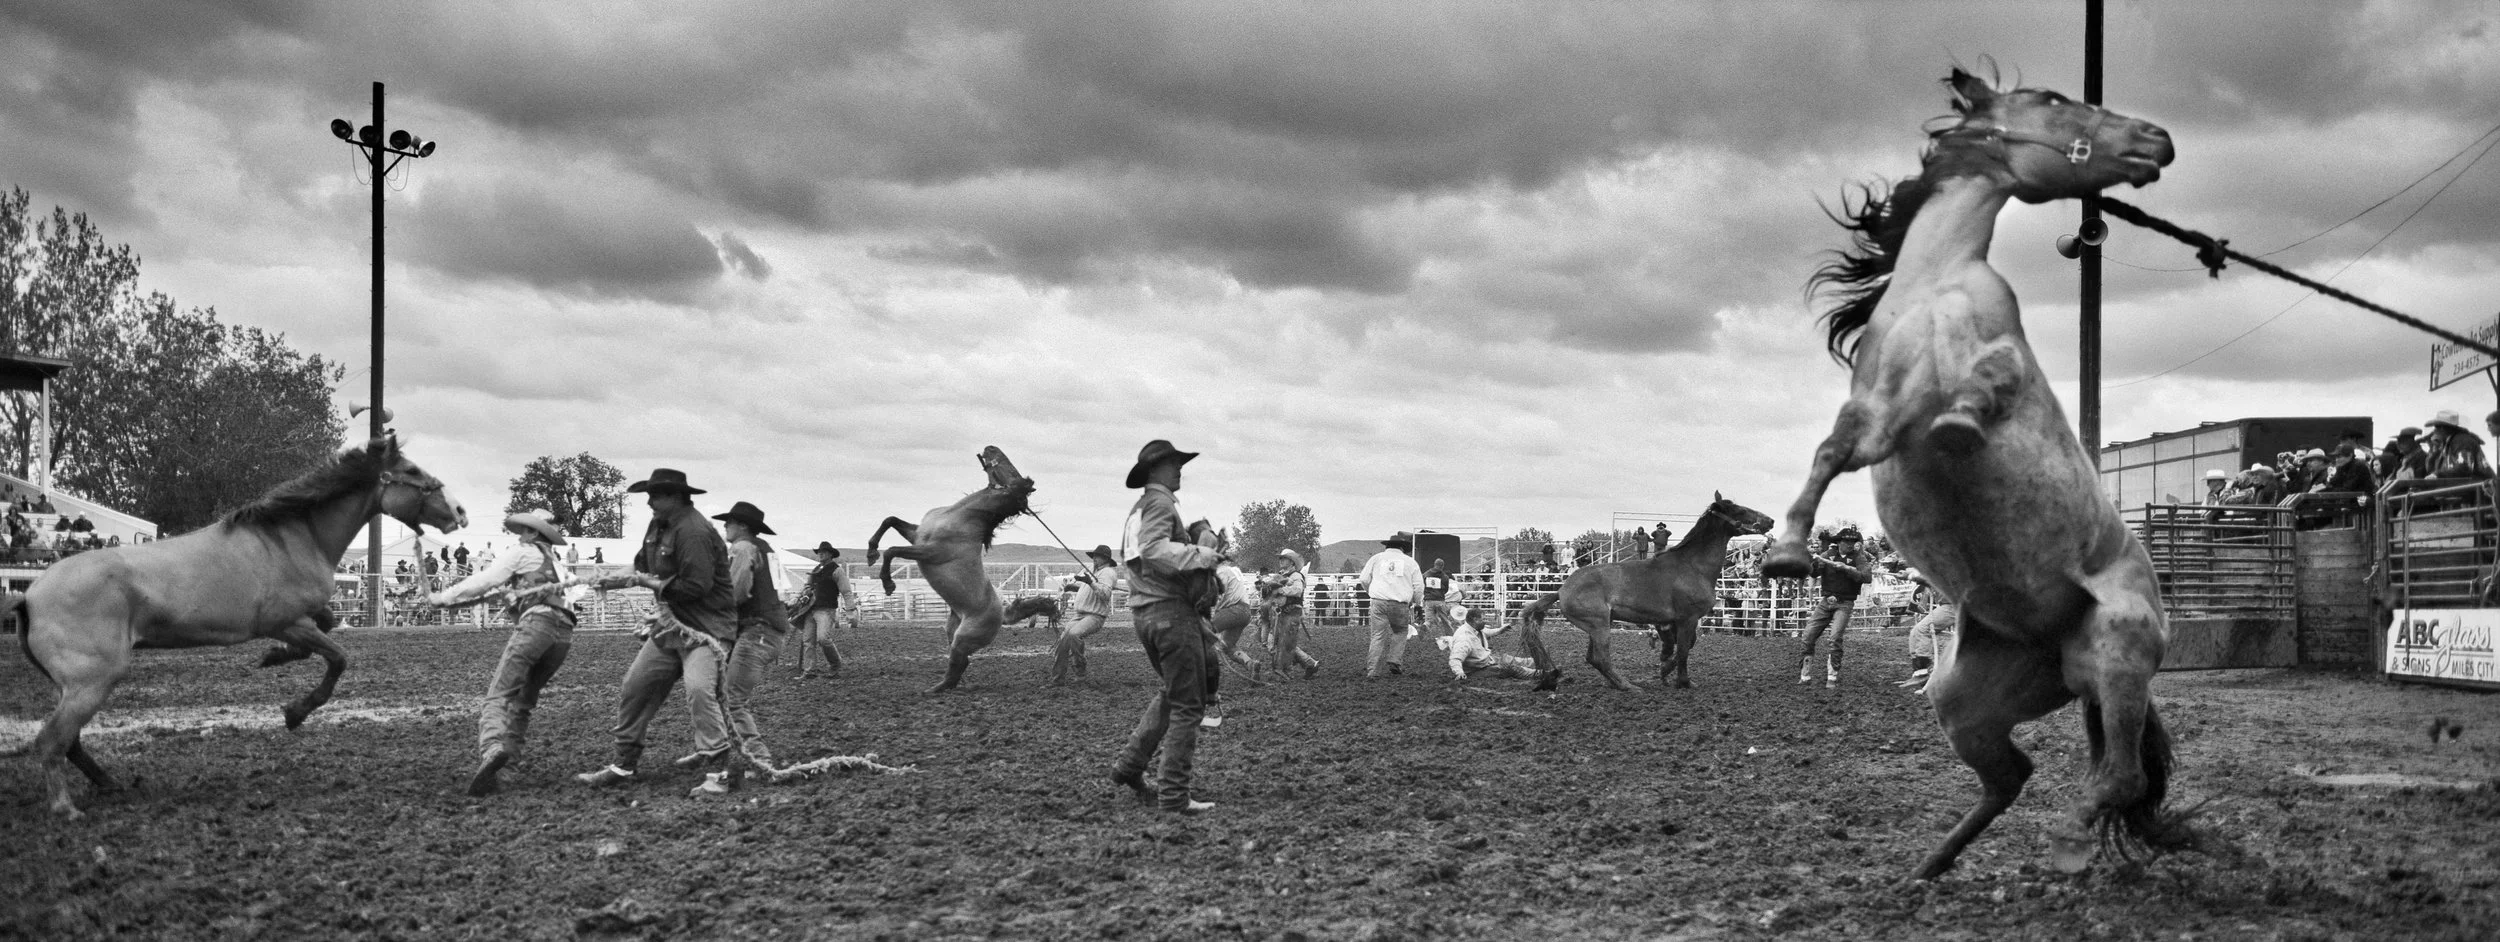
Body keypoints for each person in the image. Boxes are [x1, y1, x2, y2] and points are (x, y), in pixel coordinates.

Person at [577, 468, 739, 792]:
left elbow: (695, 586)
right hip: (672, 626)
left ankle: (720, 771)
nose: (649, 502)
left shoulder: (694, 532)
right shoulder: (658, 525)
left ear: (675, 497)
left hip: (707, 629)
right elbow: (641, 566)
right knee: (636, 685)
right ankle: (624, 764)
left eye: (655, 495)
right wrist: (610, 579)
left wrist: (644, 582)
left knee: (699, 689)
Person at [426, 509, 584, 796]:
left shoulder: (522, 552)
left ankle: (492, 748)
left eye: (524, 531)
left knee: (498, 696)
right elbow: (574, 595)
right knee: (523, 701)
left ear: (534, 533)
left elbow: (486, 579)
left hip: (537, 626)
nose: (520, 536)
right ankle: (507, 770)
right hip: (563, 635)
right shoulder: (558, 565)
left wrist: (443, 598)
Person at [1108, 439, 1225, 814]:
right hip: (1171, 614)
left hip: (1145, 613)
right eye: (1174, 464)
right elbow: (1155, 549)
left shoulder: (1138, 509)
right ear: (1155, 470)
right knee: (1189, 706)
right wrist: (1202, 554)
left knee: (1172, 694)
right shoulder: (1160, 504)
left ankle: (1130, 766)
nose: (1180, 470)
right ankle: (1174, 795)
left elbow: (1143, 554)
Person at [707, 500, 793, 794]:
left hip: (757, 631)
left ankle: (760, 761)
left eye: (729, 522)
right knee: (730, 697)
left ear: (742, 526)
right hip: (768, 631)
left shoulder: (743, 548)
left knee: (731, 699)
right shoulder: (766, 550)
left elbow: (737, 592)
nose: (725, 526)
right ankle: (749, 758)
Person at [1795, 526, 1873, 688]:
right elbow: (1814, 573)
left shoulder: (1859, 557)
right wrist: (1813, 563)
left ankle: (1832, 675)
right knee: (1808, 636)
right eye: (1846, 541)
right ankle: (1805, 674)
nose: (1850, 544)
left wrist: (1847, 569)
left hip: (1845, 602)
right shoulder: (1827, 555)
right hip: (1826, 601)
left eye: (1852, 541)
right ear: (1839, 542)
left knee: (1835, 637)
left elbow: (1866, 577)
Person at [1050, 545, 1122, 685]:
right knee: (1063, 642)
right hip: (1080, 614)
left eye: (1097, 556)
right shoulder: (1090, 570)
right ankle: (1057, 679)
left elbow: (1105, 594)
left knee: (1074, 634)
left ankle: (1080, 670)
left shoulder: (1108, 573)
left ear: (1106, 559)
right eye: (1094, 556)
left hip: (1095, 616)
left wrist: (1090, 583)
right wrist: (1075, 586)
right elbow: (1088, 589)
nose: (1094, 559)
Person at [1358, 531, 1424, 678]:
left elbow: (1363, 579)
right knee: (1400, 631)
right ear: (1402, 547)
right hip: (1399, 604)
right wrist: (1417, 602)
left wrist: (1371, 592)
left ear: (1388, 546)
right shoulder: (1410, 562)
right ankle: (1394, 660)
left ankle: (1372, 670)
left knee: (1377, 635)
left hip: (1378, 602)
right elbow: (1419, 586)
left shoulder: (1376, 558)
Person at [791, 542, 854, 679]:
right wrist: (797, 598)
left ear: (830, 554)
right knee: (808, 640)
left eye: (823, 552)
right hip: (810, 609)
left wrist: (850, 609)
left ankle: (835, 664)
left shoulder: (837, 570)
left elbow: (846, 591)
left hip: (826, 609)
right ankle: (809, 671)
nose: (820, 554)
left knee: (823, 639)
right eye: (819, 552)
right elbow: (807, 586)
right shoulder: (816, 570)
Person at [1897, 570, 1957, 691]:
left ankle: (1923, 673)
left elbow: (1938, 579)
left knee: (1921, 630)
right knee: (1915, 633)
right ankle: (1919, 673)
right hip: (1949, 605)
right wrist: (1912, 575)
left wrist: (1911, 576)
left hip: (1953, 605)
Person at [1266, 548, 1319, 679]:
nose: (1280, 560)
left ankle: (1289, 668)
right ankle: (1309, 663)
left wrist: (1281, 590)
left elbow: (1298, 590)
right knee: (1282, 642)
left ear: (1291, 561)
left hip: (1292, 612)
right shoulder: (1283, 575)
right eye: (1280, 558)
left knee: (1284, 642)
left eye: (1284, 558)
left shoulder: (1296, 576)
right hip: (1284, 612)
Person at [2420, 410, 2493, 480]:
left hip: (2483, 486)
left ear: (2442, 428)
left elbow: (2464, 468)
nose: (2434, 431)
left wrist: (2438, 475)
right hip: (2469, 485)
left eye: (2436, 427)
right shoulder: (2450, 442)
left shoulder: (2462, 441)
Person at [1421, 557, 1456, 639]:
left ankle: (1425, 629)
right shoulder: (1444, 576)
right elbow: (1446, 589)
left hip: (1429, 600)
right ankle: (1451, 636)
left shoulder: (1425, 574)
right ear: (1442, 566)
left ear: (1434, 564)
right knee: (1445, 620)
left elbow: (1422, 586)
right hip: (1440, 600)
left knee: (1428, 620)